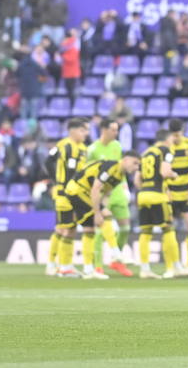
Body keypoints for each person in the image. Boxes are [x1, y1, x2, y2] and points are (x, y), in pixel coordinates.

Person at [63, 151, 141, 280]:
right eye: (135, 163)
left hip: (85, 192)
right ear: (126, 160)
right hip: (78, 190)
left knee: (90, 230)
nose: (137, 167)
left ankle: (88, 270)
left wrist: (101, 209)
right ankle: (115, 253)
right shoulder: (111, 167)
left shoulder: (120, 176)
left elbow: (105, 193)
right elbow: (96, 188)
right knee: (100, 219)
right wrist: (98, 213)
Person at [46, 118, 90, 278]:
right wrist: (57, 181)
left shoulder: (82, 148)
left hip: (72, 192)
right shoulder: (66, 146)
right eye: (83, 130)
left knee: (62, 228)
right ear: (73, 130)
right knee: (67, 228)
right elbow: (49, 161)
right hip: (66, 193)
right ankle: (63, 266)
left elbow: (49, 161)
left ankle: (56, 264)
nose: (86, 133)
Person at [86, 117, 134, 264]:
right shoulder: (92, 149)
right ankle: (97, 265)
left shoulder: (117, 146)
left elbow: (121, 168)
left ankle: (116, 257)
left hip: (117, 189)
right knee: (100, 228)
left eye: (117, 130)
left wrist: (125, 185)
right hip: (101, 191)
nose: (116, 132)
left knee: (125, 228)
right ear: (104, 130)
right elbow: (88, 173)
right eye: (113, 130)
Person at [136, 128, 182, 280]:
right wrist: (174, 175)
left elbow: (137, 178)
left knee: (145, 233)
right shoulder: (165, 150)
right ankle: (174, 267)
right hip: (157, 196)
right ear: (167, 138)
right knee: (168, 229)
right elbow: (165, 172)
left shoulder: (146, 153)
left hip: (143, 195)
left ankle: (144, 269)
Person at [165, 117, 188, 278]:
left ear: (183, 131)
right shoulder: (166, 147)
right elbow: (162, 170)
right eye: (173, 135)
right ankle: (170, 266)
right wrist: (165, 188)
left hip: (187, 191)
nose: (176, 138)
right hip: (170, 192)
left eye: (178, 134)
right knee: (168, 228)